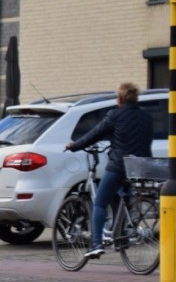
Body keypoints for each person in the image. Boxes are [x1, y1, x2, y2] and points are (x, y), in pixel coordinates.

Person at [64, 81, 154, 259]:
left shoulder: (114, 115)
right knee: (124, 194)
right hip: (142, 166)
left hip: (120, 165)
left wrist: (73, 146)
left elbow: (93, 135)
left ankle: (96, 244)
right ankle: (122, 238)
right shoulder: (147, 116)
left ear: (120, 98)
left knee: (100, 203)